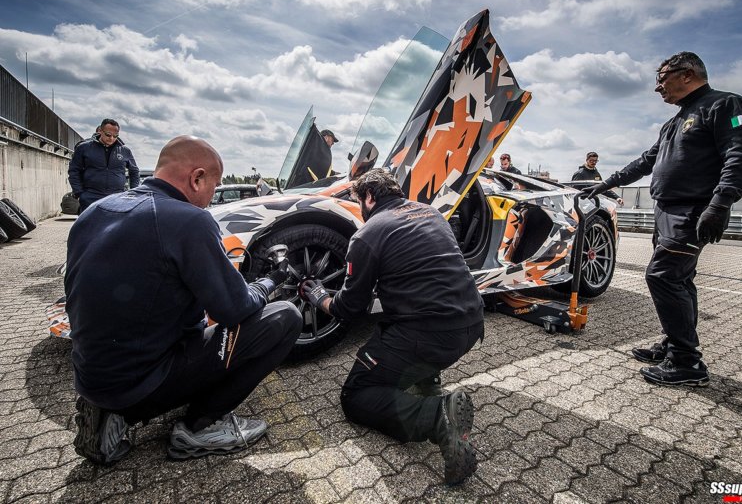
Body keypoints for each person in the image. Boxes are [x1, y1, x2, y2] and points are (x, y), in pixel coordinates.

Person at [66, 135, 303, 465]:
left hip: (93, 374)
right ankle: (199, 427)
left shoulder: (95, 211)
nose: (211, 198)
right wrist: (270, 281)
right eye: (214, 185)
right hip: (141, 380)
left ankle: (111, 413)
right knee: (285, 317)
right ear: (197, 177)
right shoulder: (189, 220)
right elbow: (233, 309)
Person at [300, 169, 484, 485]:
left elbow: (347, 308)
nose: (360, 209)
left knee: (356, 396)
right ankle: (426, 381)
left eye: (359, 202)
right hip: (471, 324)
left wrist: (318, 297)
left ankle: (438, 417)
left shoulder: (368, 234)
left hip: (430, 335)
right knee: (400, 326)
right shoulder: (430, 214)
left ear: (369, 197)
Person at [586, 51, 742, 387]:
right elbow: (648, 159)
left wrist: (720, 204)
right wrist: (608, 182)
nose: (657, 88)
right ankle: (672, 343)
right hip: (667, 210)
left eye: (661, 78)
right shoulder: (676, 120)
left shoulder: (726, 106)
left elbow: (741, 157)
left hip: (693, 210)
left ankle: (686, 362)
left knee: (662, 277)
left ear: (687, 73)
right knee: (679, 280)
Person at [68, 118, 140, 213]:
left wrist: (133, 193)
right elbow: (74, 170)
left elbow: (134, 172)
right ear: (100, 131)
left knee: (115, 227)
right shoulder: (84, 148)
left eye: (115, 136)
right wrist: (79, 193)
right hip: (91, 197)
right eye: (108, 135)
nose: (111, 138)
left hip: (116, 198)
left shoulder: (125, 151)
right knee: (90, 227)